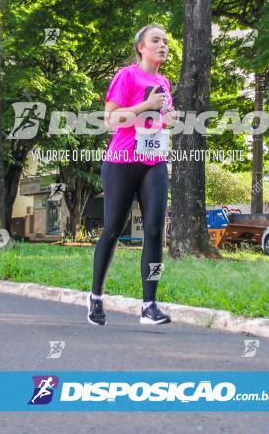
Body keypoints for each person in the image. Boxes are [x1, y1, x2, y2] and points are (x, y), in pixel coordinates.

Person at [87, 24, 176, 326]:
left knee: (154, 232)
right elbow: (111, 120)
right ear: (141, 46)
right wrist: (146, 106)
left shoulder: (164, 82)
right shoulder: (127, 75)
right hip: (122, 160)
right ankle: (96, 296)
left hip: (154, 161)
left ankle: (150, 304)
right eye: (156, 40)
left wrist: (167, 118)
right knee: (112, 228)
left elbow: (159, 122)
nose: (163, 45)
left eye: (165, 41)